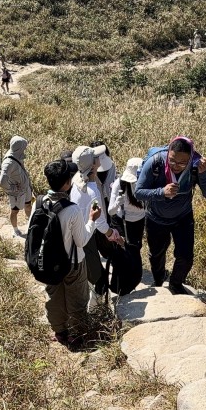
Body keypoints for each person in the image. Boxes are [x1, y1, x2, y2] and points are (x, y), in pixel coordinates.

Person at [133, 136, 206, 295]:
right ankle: (158, 280)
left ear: (190, 158)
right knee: (156, 255)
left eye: (181, 163)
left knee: (185, 257)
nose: (175, 166)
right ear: (168, 153)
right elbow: (138, 192)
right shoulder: (156, 161)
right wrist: (161, 192)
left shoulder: (195, 166)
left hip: (183, 218)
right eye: (172, 161)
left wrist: (204, 174)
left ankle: (175, 284)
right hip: (155, 218)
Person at [40, 159, 99, 346]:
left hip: (48, 263)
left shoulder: (40, 202)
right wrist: (92, 220)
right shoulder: (71, 209)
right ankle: (78, 334)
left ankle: (60, 332)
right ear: (67, 183)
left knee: (54, 298)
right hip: (72, 263)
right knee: (77, 300)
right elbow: (81, 240)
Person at [71, 145, 125, 304]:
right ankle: (94, 311)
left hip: (80, 232)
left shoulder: (77, 179)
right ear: (94, 163)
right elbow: (100, 223)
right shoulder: (92, 191)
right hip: (84, 238)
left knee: (91, 275)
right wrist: (114, 236)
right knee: (99, 280)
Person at [0, 136, 34, 237]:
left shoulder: (17, 154)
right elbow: (2, 182)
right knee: (15, 211)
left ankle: (31, 223)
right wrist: (12, 189)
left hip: (25, 188)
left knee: (28, 205)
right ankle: (15, 229)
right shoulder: (8, 163)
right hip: (16, 193)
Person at [108, 158, 146, 248]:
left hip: (140, 220)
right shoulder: (119, 184)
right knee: (125, 248)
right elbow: (110, 211)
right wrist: (117, 203)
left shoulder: (147, 182)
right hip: (123, 221)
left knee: (137, 247)